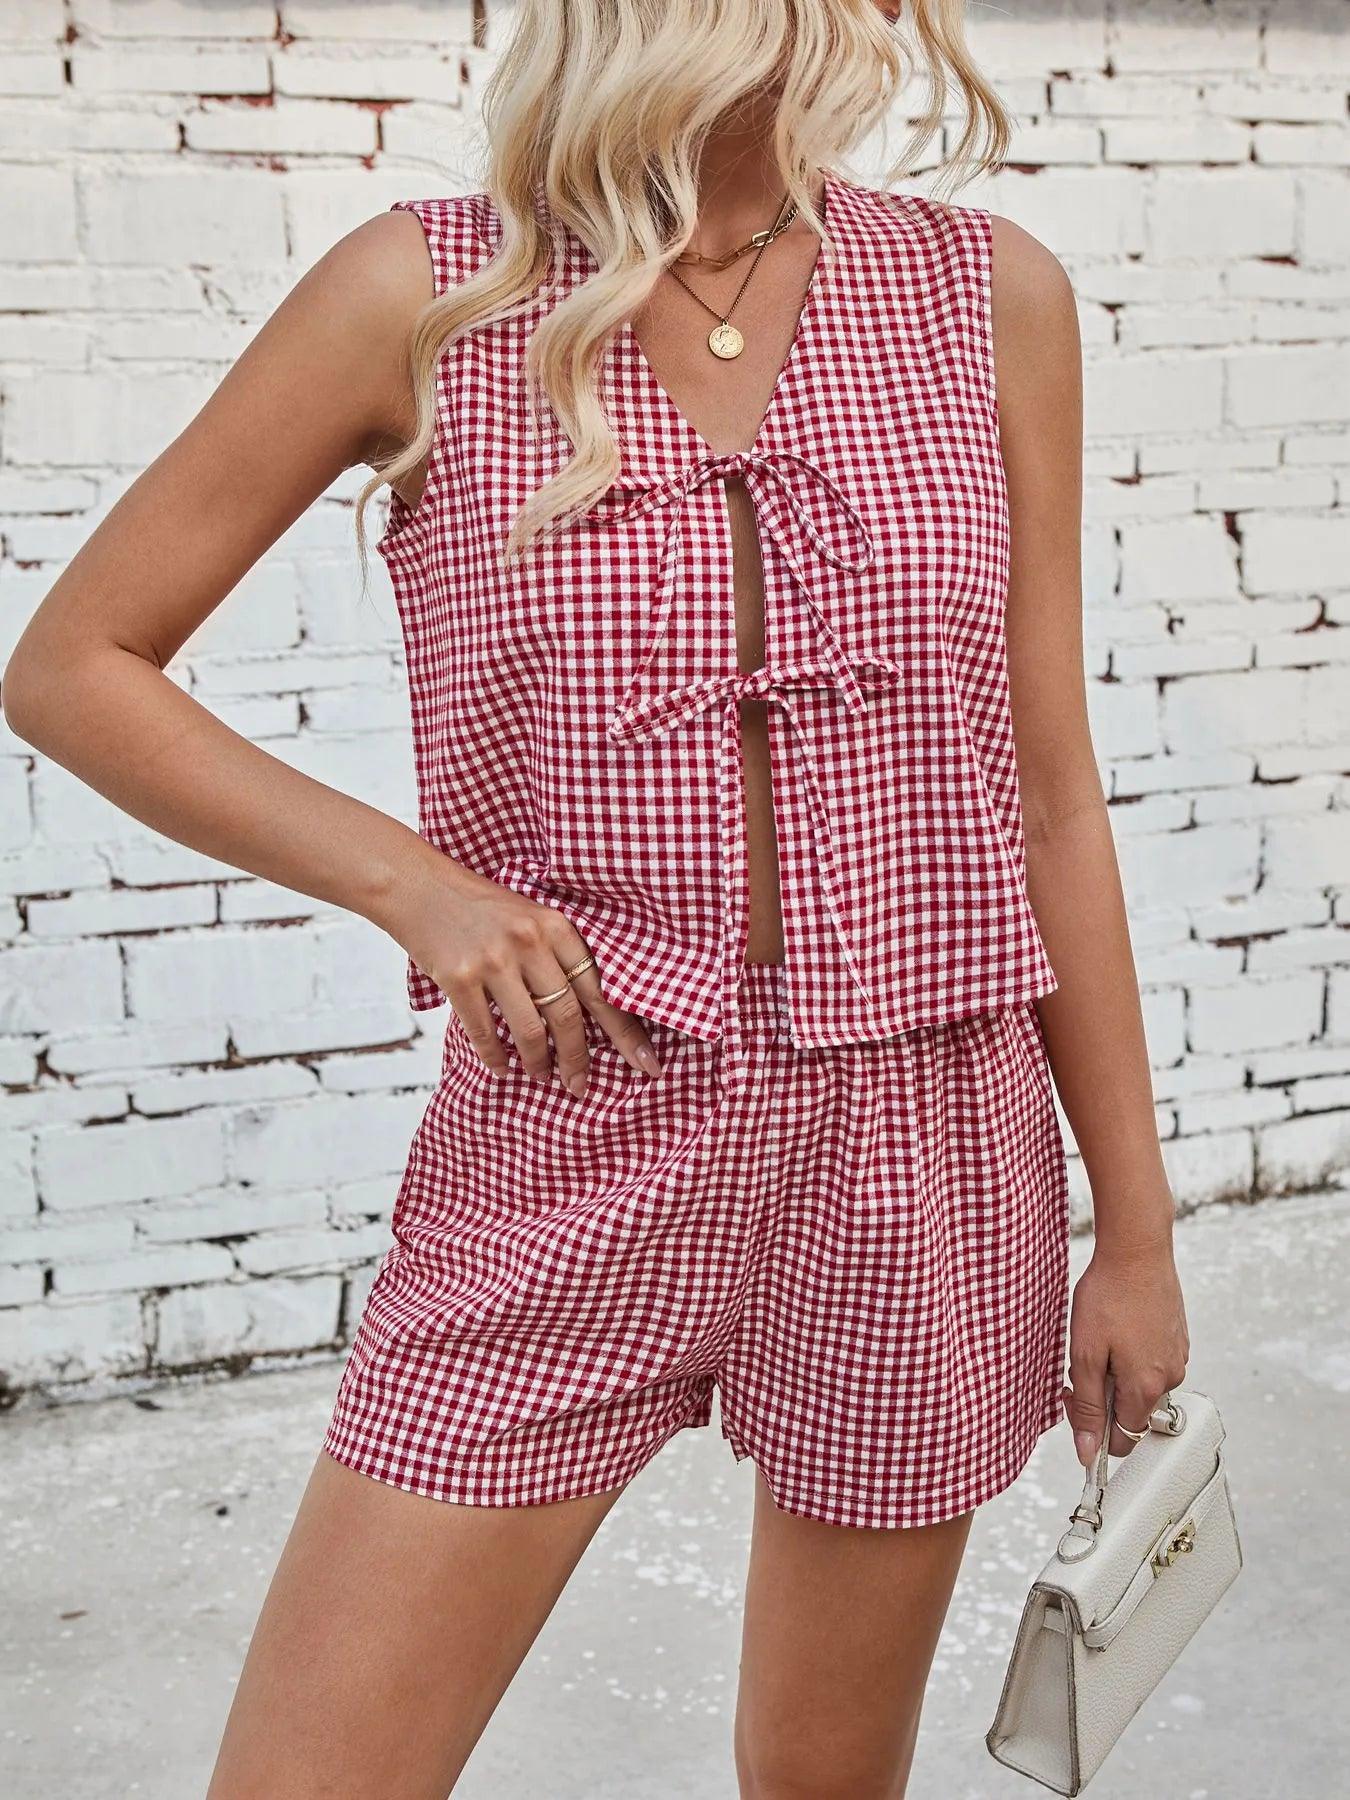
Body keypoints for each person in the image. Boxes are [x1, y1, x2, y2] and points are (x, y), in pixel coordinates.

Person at [3, 3, 1190, 1795]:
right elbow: (75, 666)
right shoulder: (429, 290)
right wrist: (418, 890)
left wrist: (1139, 1232)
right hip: (573, 1124)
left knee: (823, 1782)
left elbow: (1045, 795)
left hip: (922, 1146)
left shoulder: (985, 295)